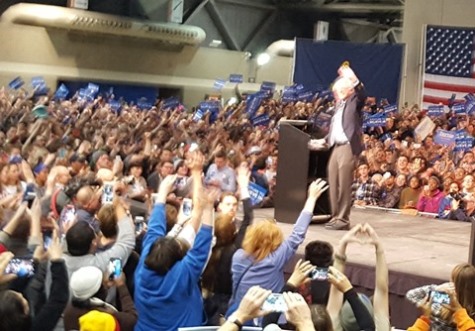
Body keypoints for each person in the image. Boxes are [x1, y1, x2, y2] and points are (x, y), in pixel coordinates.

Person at [134, 153, 218, 330]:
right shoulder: (183, 274)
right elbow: (201, 243)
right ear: (177, 259)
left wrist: (162, 193)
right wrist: (208, 206)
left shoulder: (144, 266)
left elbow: (155, 229)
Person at [228, 179, 328, 324]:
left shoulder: (237, 257)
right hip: (270, 320)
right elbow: (297, 235)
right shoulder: (275, 260)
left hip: (241, 315)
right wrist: (311, 198)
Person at [308, 65, 366, 230]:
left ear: (349, 90)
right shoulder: (338, 108)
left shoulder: (354, 101)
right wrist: (323, 141)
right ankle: (335, 216)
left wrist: (352, 77)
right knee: (332, 181)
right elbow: (337, 128)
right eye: (336, 90)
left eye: (340, 90)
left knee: (343, 183)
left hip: (348, 147)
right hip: (335, 146)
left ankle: (343, 219)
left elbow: (361, 92)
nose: (337, 93)